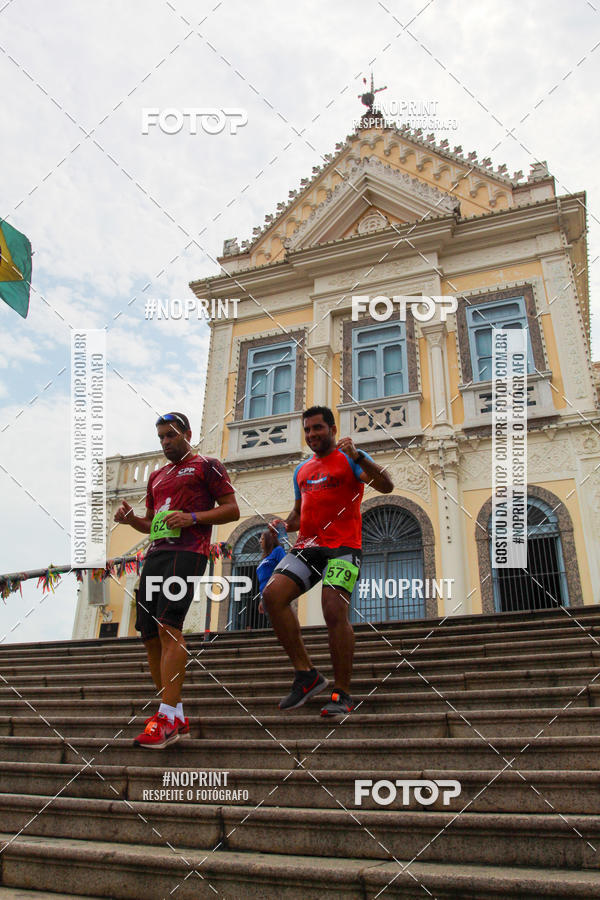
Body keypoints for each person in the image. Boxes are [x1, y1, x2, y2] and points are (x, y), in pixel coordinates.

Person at [114, 412, 239, 748]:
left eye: (171, 435)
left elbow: (232, 510)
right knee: (149, 635)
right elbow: (152, 524)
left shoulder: (207, 466)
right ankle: (175, 714)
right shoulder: (155, 476)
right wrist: (131, 520)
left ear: (187, 433)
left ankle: (166, 717)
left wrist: (194, 517)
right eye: (161, 438)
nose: (166, 442)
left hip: (189, 552)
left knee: (169, 627)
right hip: (156, 555)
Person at [262, 405, 393, 718]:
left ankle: (342, 692)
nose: (311, 435)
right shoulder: (302, 470)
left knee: (333, 609)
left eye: (317, 428)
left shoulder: (351, 457)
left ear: (332, 429)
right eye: (307, 430)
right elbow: (298, 515)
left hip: (344, 548)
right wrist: (281, 525)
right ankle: (306, 675)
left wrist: (359, 456)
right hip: (308, 546)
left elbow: (386, 485)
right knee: (272, 596)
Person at [256, 530, 286, 621]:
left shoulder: (278, 550)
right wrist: (262, 599)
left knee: (280, 622)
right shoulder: (265, 557)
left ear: (269, 540)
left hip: (276, 593)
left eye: (262, 538)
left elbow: (285, 568)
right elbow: (262, 582)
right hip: (266, 595)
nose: (260, 541)